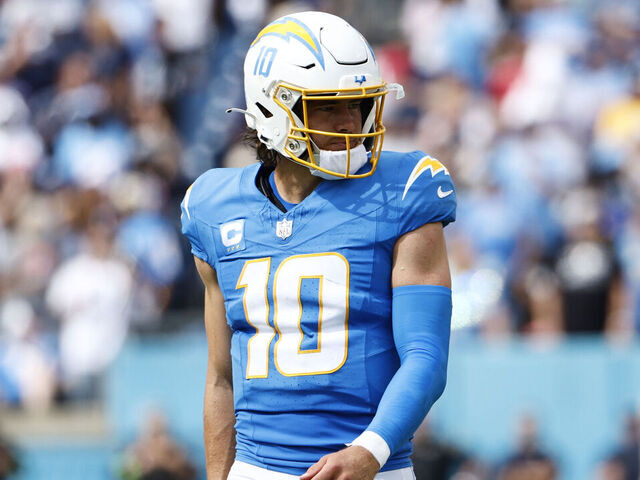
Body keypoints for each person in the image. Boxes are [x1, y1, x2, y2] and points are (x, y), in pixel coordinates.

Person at [181, 11, 456, 480]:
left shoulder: (405, 189)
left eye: (359, 104)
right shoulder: (213, 205)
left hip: (373, 465)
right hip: (256, 468)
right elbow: (221, 377)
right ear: (273, 109)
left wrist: (371, 451)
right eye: (328, 106)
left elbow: (426, 356)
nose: (351, 122)